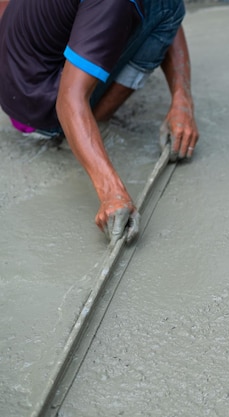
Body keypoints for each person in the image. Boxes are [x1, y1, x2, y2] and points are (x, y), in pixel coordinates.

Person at [0, 0, 199, 246]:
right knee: (164, 9)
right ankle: (88, 123)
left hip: (17, 88)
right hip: (45, 111)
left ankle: (82, 103)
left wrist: (182, 101)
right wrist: (111, 193)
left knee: (159, 6)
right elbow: (69, 100)